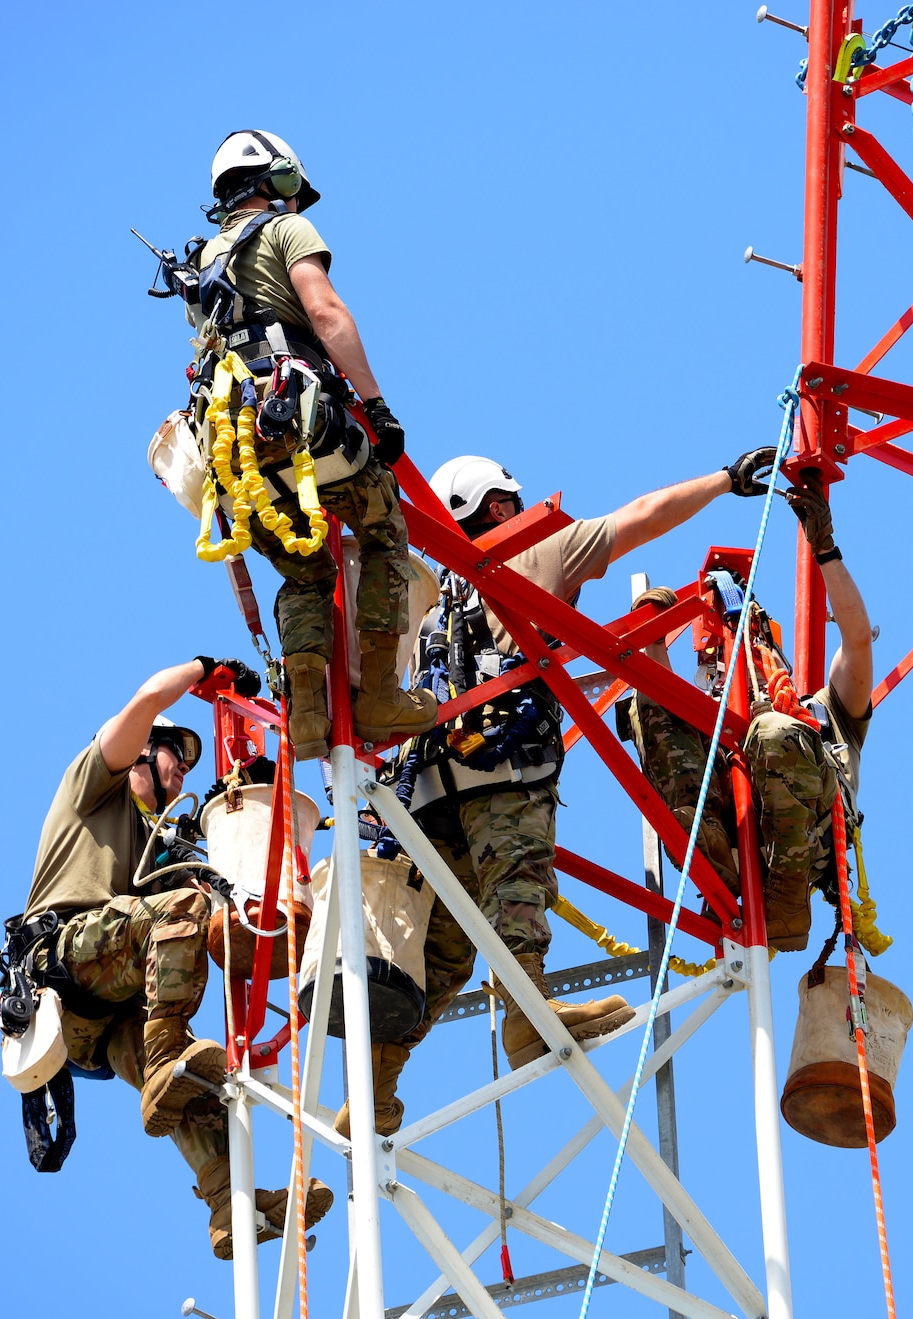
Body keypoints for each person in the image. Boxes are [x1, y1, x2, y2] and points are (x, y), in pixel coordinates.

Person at [331, 447, 780, 1138]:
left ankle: (374, 1085)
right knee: (517, 885)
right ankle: (527, 1017)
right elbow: (637, 520)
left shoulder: (437, 603)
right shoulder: (532, 553)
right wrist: (724, 480)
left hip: (428, 792)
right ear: (501, 505)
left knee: (448, 945)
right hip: (501, 768)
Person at [18, 657, 331, 1259]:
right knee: (181, 911)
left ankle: (228, 1205)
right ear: (141, 754)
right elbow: (144, 701)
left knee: (196, 1087)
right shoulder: (93, 783)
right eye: (174, 759)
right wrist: (201, 670)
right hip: (62, 962)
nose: (182, 774)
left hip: (101, 1017)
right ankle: (163, 1054)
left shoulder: (154, 847)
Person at [186, 130, 435, 758]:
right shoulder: (284, 232)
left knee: (302, 574)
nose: (297, 204)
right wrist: (377, 405)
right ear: (273, 183)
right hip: (302, 425)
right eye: (293, 189)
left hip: (236, 457)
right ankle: (378, 694)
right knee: (384, 533)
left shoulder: (200, 269)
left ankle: (305, 718)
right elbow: (326, 314)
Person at [627, 475, 872, 951]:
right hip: (729, 843)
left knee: (774, 730)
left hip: (803, 847)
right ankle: (711, 854)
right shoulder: (719, 725)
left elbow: (857, 640)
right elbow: (663, 717)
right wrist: (652, 640)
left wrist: (825, 549)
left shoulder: (825, 714)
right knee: (654, 707)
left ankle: (784, 902)